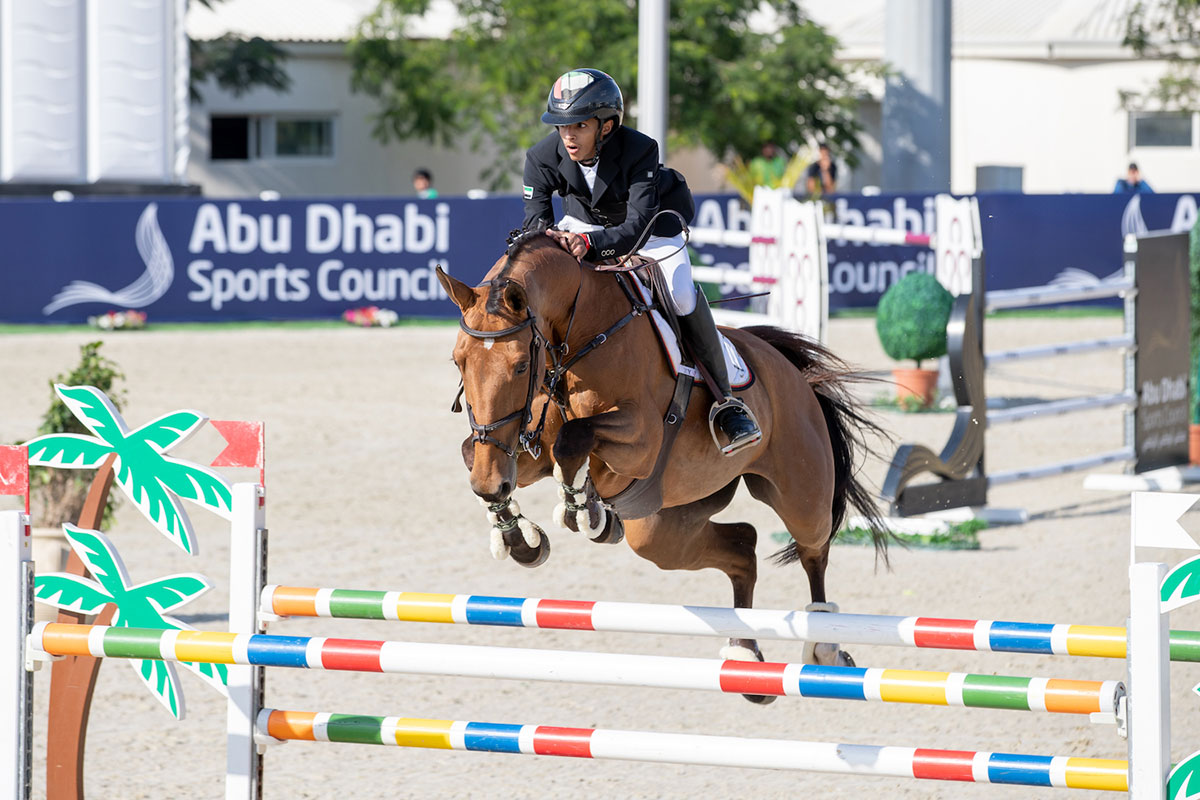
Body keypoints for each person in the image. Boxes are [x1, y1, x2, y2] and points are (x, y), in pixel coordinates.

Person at [522, 68, 760, 455]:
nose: (568, 136)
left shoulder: (639, 149)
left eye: (579, 125)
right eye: (562, 125)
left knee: (680, 294)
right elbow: (535, 224)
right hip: (583, 224)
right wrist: (556, 242)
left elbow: (634, 226)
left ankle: (726, 402)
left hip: (652, 229)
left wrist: (586, 243)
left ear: (606, 126)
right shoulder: (541, 157)